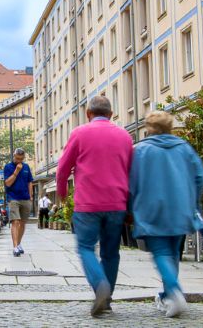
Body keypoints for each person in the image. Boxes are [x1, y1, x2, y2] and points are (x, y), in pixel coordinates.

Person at [57, 95, 133, 317]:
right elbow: (131, 173)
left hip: (87, 204)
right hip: (117, 203)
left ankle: (100, 284)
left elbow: (63, 168)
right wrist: (130, 205)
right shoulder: (125, 136)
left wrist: (62, 193)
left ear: (88, 113)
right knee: (111, 253)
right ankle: (106, 300)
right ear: (111, 114)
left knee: (85, 247)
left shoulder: (79, 133)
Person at [129, 111, 203, 318]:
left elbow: (132, 183)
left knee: (161, 253)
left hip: (152, 209)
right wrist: (192, 199)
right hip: (181, 208)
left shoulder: (141, 151)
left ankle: (174, 291)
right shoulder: (184, 148)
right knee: (172, 254)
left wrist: (131, 207)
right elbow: (200, 176)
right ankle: (168, 296)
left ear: (149, 128)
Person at [3, 148, 33, 257]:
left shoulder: (26, 167)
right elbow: (8, 183)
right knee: (15, 222)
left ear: (23, 157)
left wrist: (30, 196)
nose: (19, 161)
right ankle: (15, 247)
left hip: (25, 198)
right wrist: (16, 172)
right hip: (13, 198)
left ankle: (19, 243)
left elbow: (30, 182)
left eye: (21, 159)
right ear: (14, 156)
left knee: (23, 223)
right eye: (17, 158)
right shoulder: (8, 167)